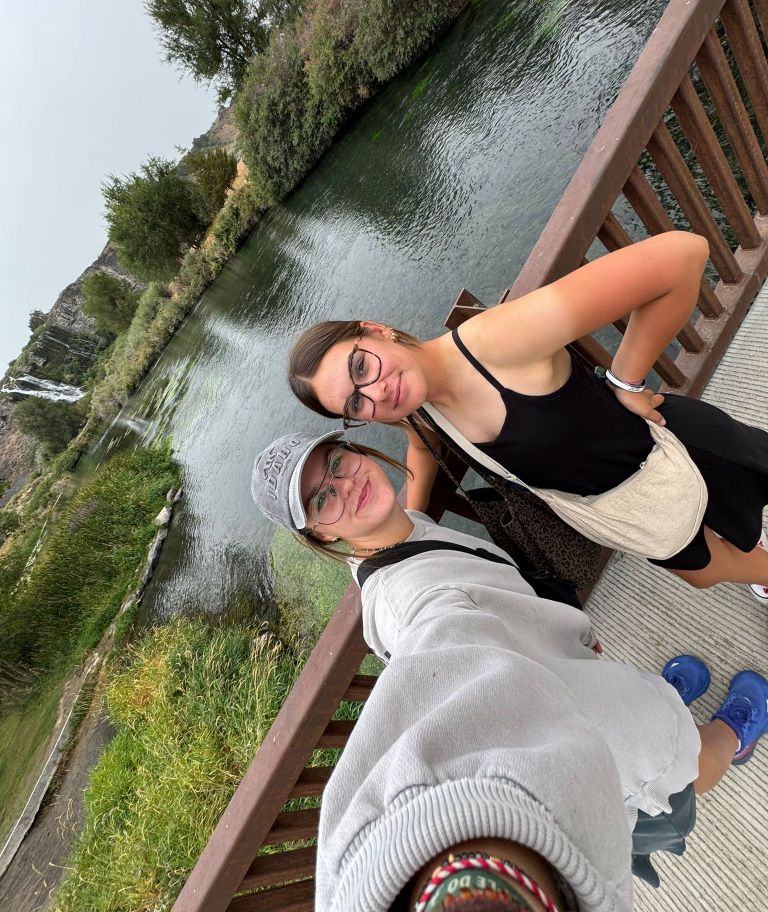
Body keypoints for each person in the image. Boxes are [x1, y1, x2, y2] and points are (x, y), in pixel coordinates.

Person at [250, 430, 768, 911]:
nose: (344, 484)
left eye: (336, 462)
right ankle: (733, 734)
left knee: (652, 708)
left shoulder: (399, 534)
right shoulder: (407, 602)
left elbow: (417, 474)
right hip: (598, 742)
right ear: (320, 536)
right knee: (683, 770)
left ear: (355, 451)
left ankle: (669, 701)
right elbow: (439, 648)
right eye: (322, 499)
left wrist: (414, 420)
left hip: (568, 672)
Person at [287, 232, 768, 602]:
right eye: (354, 404)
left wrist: (626, 380)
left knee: (736, 520)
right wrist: (410, 520)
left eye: (360, 367)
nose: (374, 391)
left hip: (679, 451)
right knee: (704, 570)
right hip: (629, 510)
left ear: (376, 331)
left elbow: (681, 257)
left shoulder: (496, 340)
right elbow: (421, 445)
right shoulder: (418, 407)